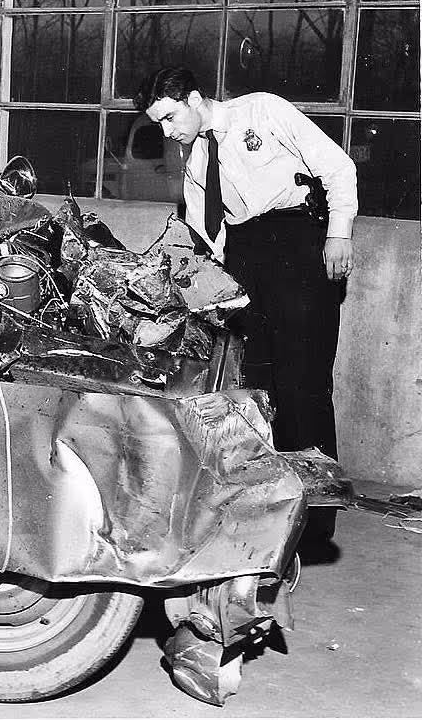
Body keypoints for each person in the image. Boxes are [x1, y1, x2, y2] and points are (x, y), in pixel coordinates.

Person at [133, 66, 357, 546]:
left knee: (304, 385)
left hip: (297, 244)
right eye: (159, 124)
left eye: (170, 118)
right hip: (245, 258)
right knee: (258, 390)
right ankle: (272, 513)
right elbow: (207, 236)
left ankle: (317, 522)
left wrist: (338, 234)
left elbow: (338, 167)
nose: (167, 132)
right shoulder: (196, 161)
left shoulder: (262, 110)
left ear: (195, 98)